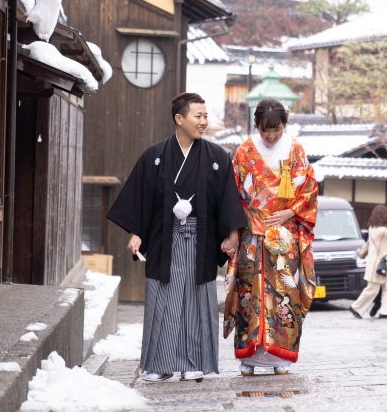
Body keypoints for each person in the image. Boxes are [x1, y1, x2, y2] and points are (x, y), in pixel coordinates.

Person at [106, 92, 247, 382]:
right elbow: (141, 198)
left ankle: (196, 362)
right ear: (179, 118)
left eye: (206, 116)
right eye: (198, 116)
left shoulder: (217, 157)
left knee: (198, 300)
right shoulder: (154, 156)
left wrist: (233, 235)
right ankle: (160, 363)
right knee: (163, 299)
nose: (204, 122)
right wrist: (136, 233)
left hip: (201, 240)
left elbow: (228, 199)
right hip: (164, 240)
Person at [225, 97, 319, 376]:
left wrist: (290, 213)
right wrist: (240, 226)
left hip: (285, 236)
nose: (271, 135)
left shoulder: (296, 149)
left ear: (284, 124)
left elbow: (310, 190)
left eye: (277, 130)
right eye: (266, 130)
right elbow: (233, 195)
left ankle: (281, 357)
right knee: (249, 293)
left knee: (283, 293)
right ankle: (249, 356)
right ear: (257, 125)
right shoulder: (244, 151)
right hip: (251, 234)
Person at [349, 205, 387, 319]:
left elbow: (368, 243)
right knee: (373, 289)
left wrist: (363, 252)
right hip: (381, 265)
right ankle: (356, 308)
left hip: (378, 263)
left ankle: (386, 312)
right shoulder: (382, 231)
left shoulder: (372, 228)